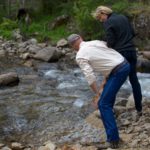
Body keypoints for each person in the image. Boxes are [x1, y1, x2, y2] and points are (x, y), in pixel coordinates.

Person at [67, 34, 130, 149]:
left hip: (118, 71)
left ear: (72, 46)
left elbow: (90, 77)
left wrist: (97, 93)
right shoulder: (94, 42)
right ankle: (113, 132)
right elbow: (108, 59)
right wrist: (102, 89)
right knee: (107, 102)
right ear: (81, 38)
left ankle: (113, 140)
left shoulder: (80, 55)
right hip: (124, 64)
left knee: (103, 104)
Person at [92, 6, 142, 115]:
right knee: (134, 80)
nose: (101, 21)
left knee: (113, 81)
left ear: (103, 13)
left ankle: (109, 109)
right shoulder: (123, 17)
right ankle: (139, 108)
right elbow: (133, 33)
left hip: (120, 54)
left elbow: (111, 41)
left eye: (100, 18)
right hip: (132, 51)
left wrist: (105, 46)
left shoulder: (108, 22)